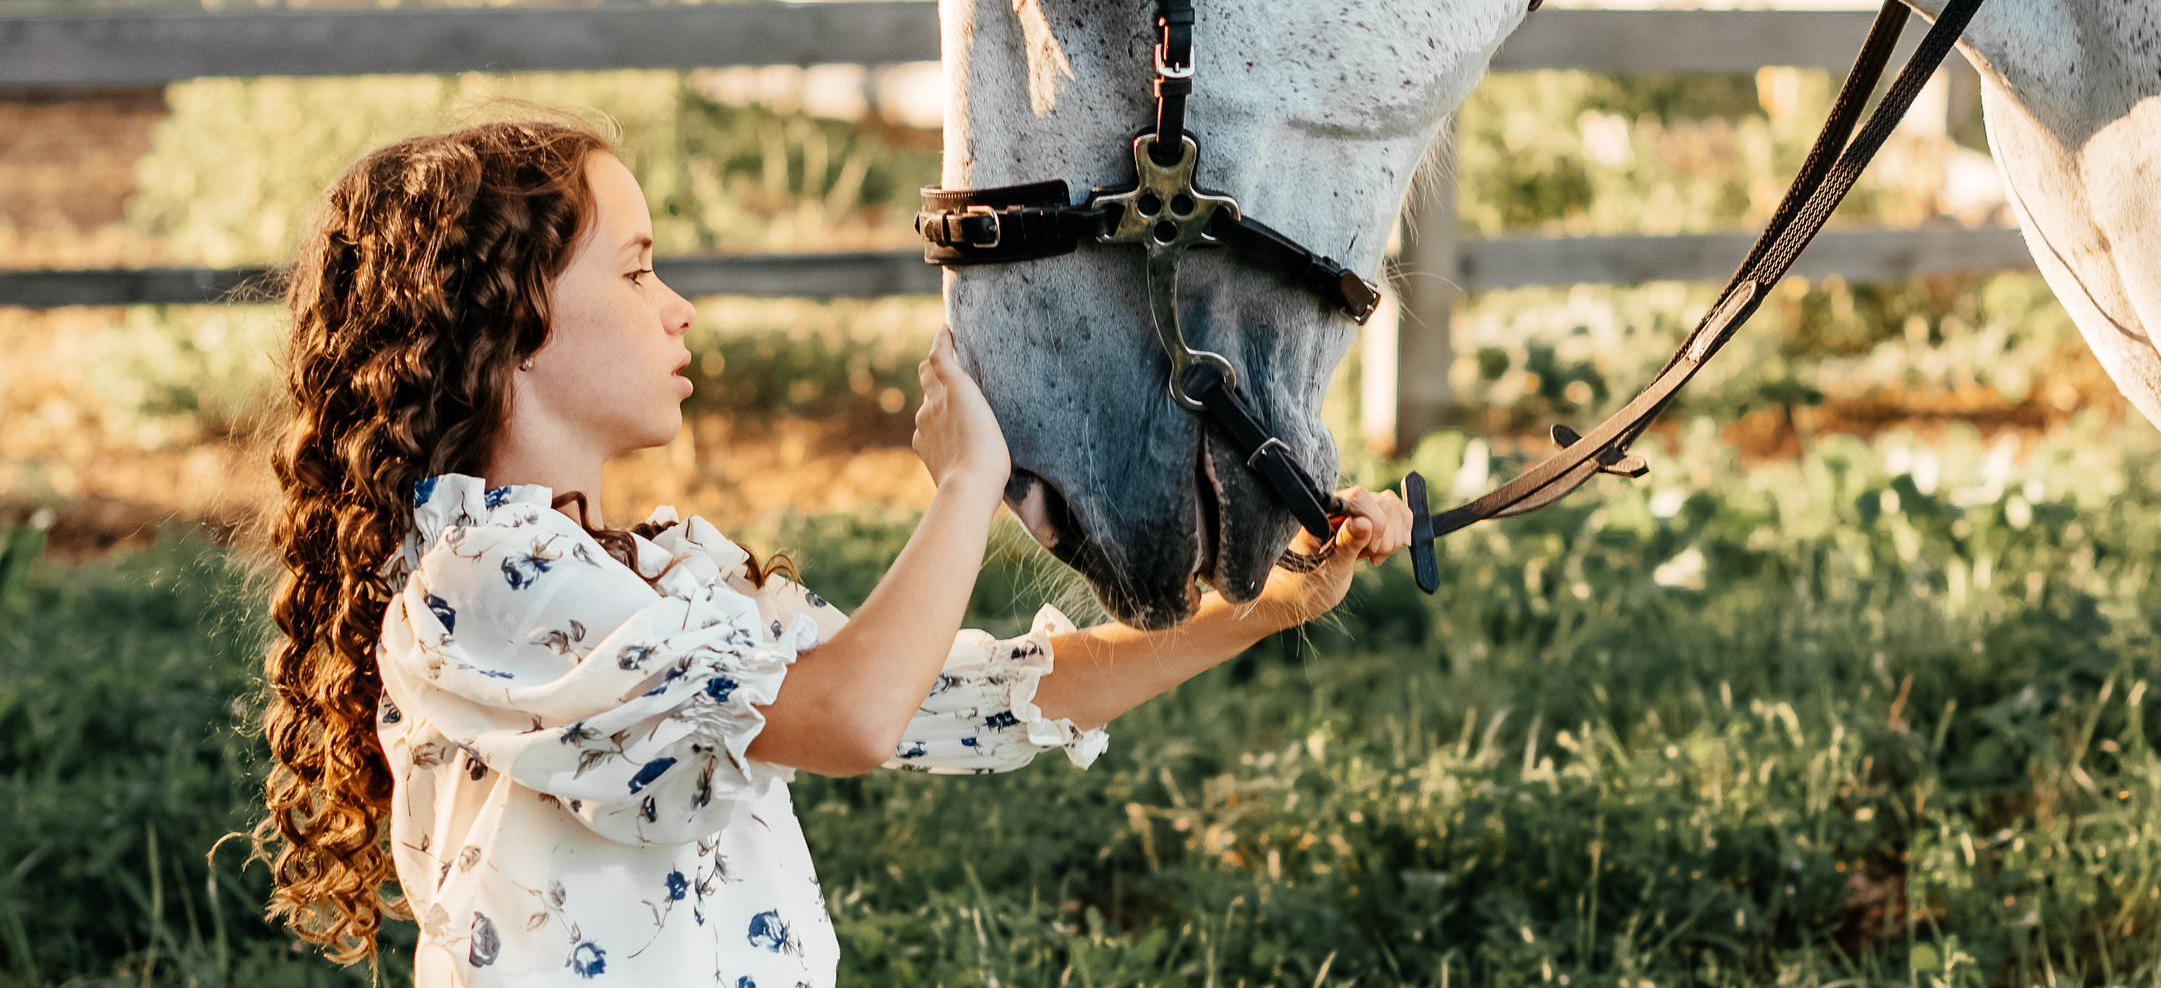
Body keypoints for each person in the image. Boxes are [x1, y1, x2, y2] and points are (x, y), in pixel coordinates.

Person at [253, 116, 1410, 986]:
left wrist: (1265, 605)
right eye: (637, 267)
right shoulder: (479, 575)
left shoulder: (660, 572)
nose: (678, 306)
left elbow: (935, 697)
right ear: (510, 320)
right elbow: (852, 715)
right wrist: (966, 484)